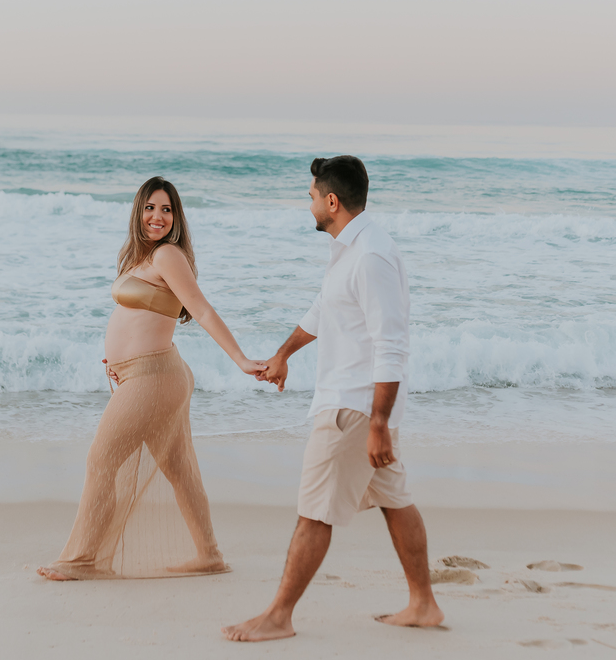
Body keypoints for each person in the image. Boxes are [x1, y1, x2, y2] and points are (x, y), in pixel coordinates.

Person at [223, 155, 443, 641]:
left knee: (314, 511)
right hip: (362, 406)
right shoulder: (350, 249)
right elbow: (324, 309)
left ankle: (278, 616)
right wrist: (284, 354)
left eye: (311, 197)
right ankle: (424, 604)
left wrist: (379, 422)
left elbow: (391, 343)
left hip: (354, 409)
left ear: (332, 200)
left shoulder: (370, 257)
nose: (308, 204)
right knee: (395, 500)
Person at [37, 176, 267, 580]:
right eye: (149, 208)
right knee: (179, 469)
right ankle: (209, 554)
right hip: (144, 375)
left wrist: (241, 359)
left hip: (155, 376)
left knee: (101, 459)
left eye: (166, 209)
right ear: (138, 211)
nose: (157, 217)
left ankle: (84, 560)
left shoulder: (167, 256)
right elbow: (139, 318)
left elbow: (203, 310)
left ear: (176, 216)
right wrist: (117, 360)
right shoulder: (141, 258)